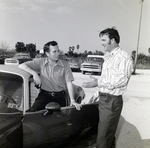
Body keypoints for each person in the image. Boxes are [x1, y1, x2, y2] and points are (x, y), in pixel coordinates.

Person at [84, 28, 133, 148]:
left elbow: (121, 81)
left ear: (112, 40)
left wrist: (98, 83)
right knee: (106, 136)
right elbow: (107, 77)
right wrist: (96, 94)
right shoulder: (108, 57)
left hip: (111, 101)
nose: (101, 43)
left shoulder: (123, 57)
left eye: (103, 40)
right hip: (103, 98)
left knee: (103, 139)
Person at [18, 41, 81, 111]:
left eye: (58, 51)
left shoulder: (65, 65)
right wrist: (34, 74)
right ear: (47, 53)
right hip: (44, 95)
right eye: (54, 52)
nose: (58, 53)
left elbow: (69, 83)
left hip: (60, 96)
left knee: (60, 119)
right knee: (32, 114)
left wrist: (72, 101)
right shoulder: (40, 62)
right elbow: (21, 65)